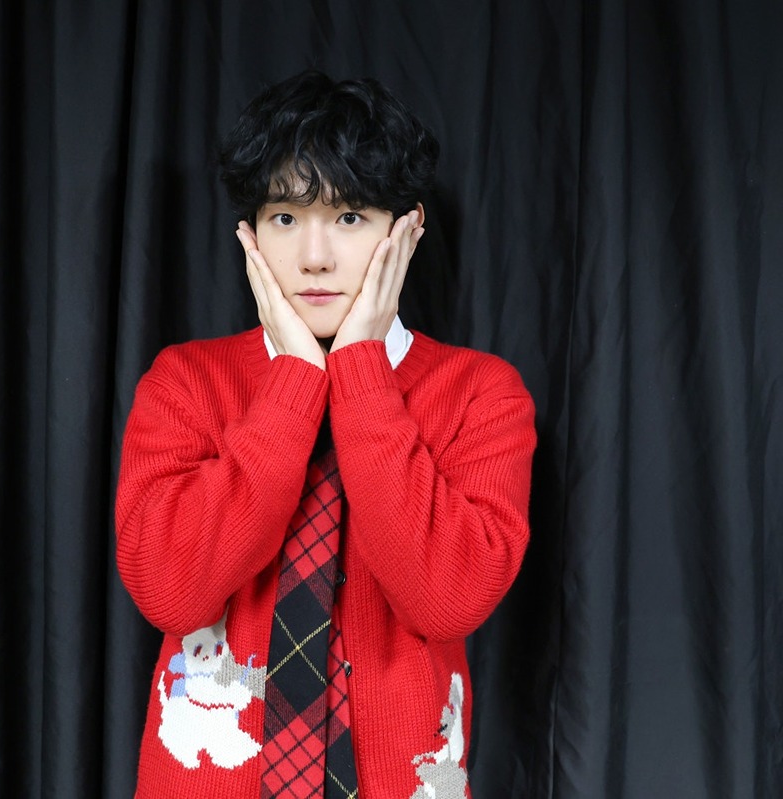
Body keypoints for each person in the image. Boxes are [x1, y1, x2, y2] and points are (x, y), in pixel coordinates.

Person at [115, 70, 536, 798]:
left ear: (407, 230)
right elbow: (171, 594)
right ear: (250, 233)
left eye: (349, 217)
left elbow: (445, 600)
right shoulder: (185, 383)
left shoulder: (480, 394)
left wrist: (361, 372)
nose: (314, 257)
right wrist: (293, 386)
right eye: (285, 217)